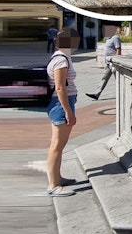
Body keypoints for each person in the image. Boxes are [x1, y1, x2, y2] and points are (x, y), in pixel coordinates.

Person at [45, 28, 80, 196]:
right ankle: (53, 185)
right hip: (60, 105)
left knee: (59, 145)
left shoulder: (62, 57)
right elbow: (60, 88)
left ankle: (57, 178)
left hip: (61, 103)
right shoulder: (61, 61)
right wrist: (68, 111)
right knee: (56, 146)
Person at [85, 27, 121, 100]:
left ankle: (123, 93)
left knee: (119, 79)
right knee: (104, 78)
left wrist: (117, 60)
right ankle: (96, 94)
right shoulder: (108, 39)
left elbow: (118, 49)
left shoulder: (115, 38)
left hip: (113, 63)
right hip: (108, 63)